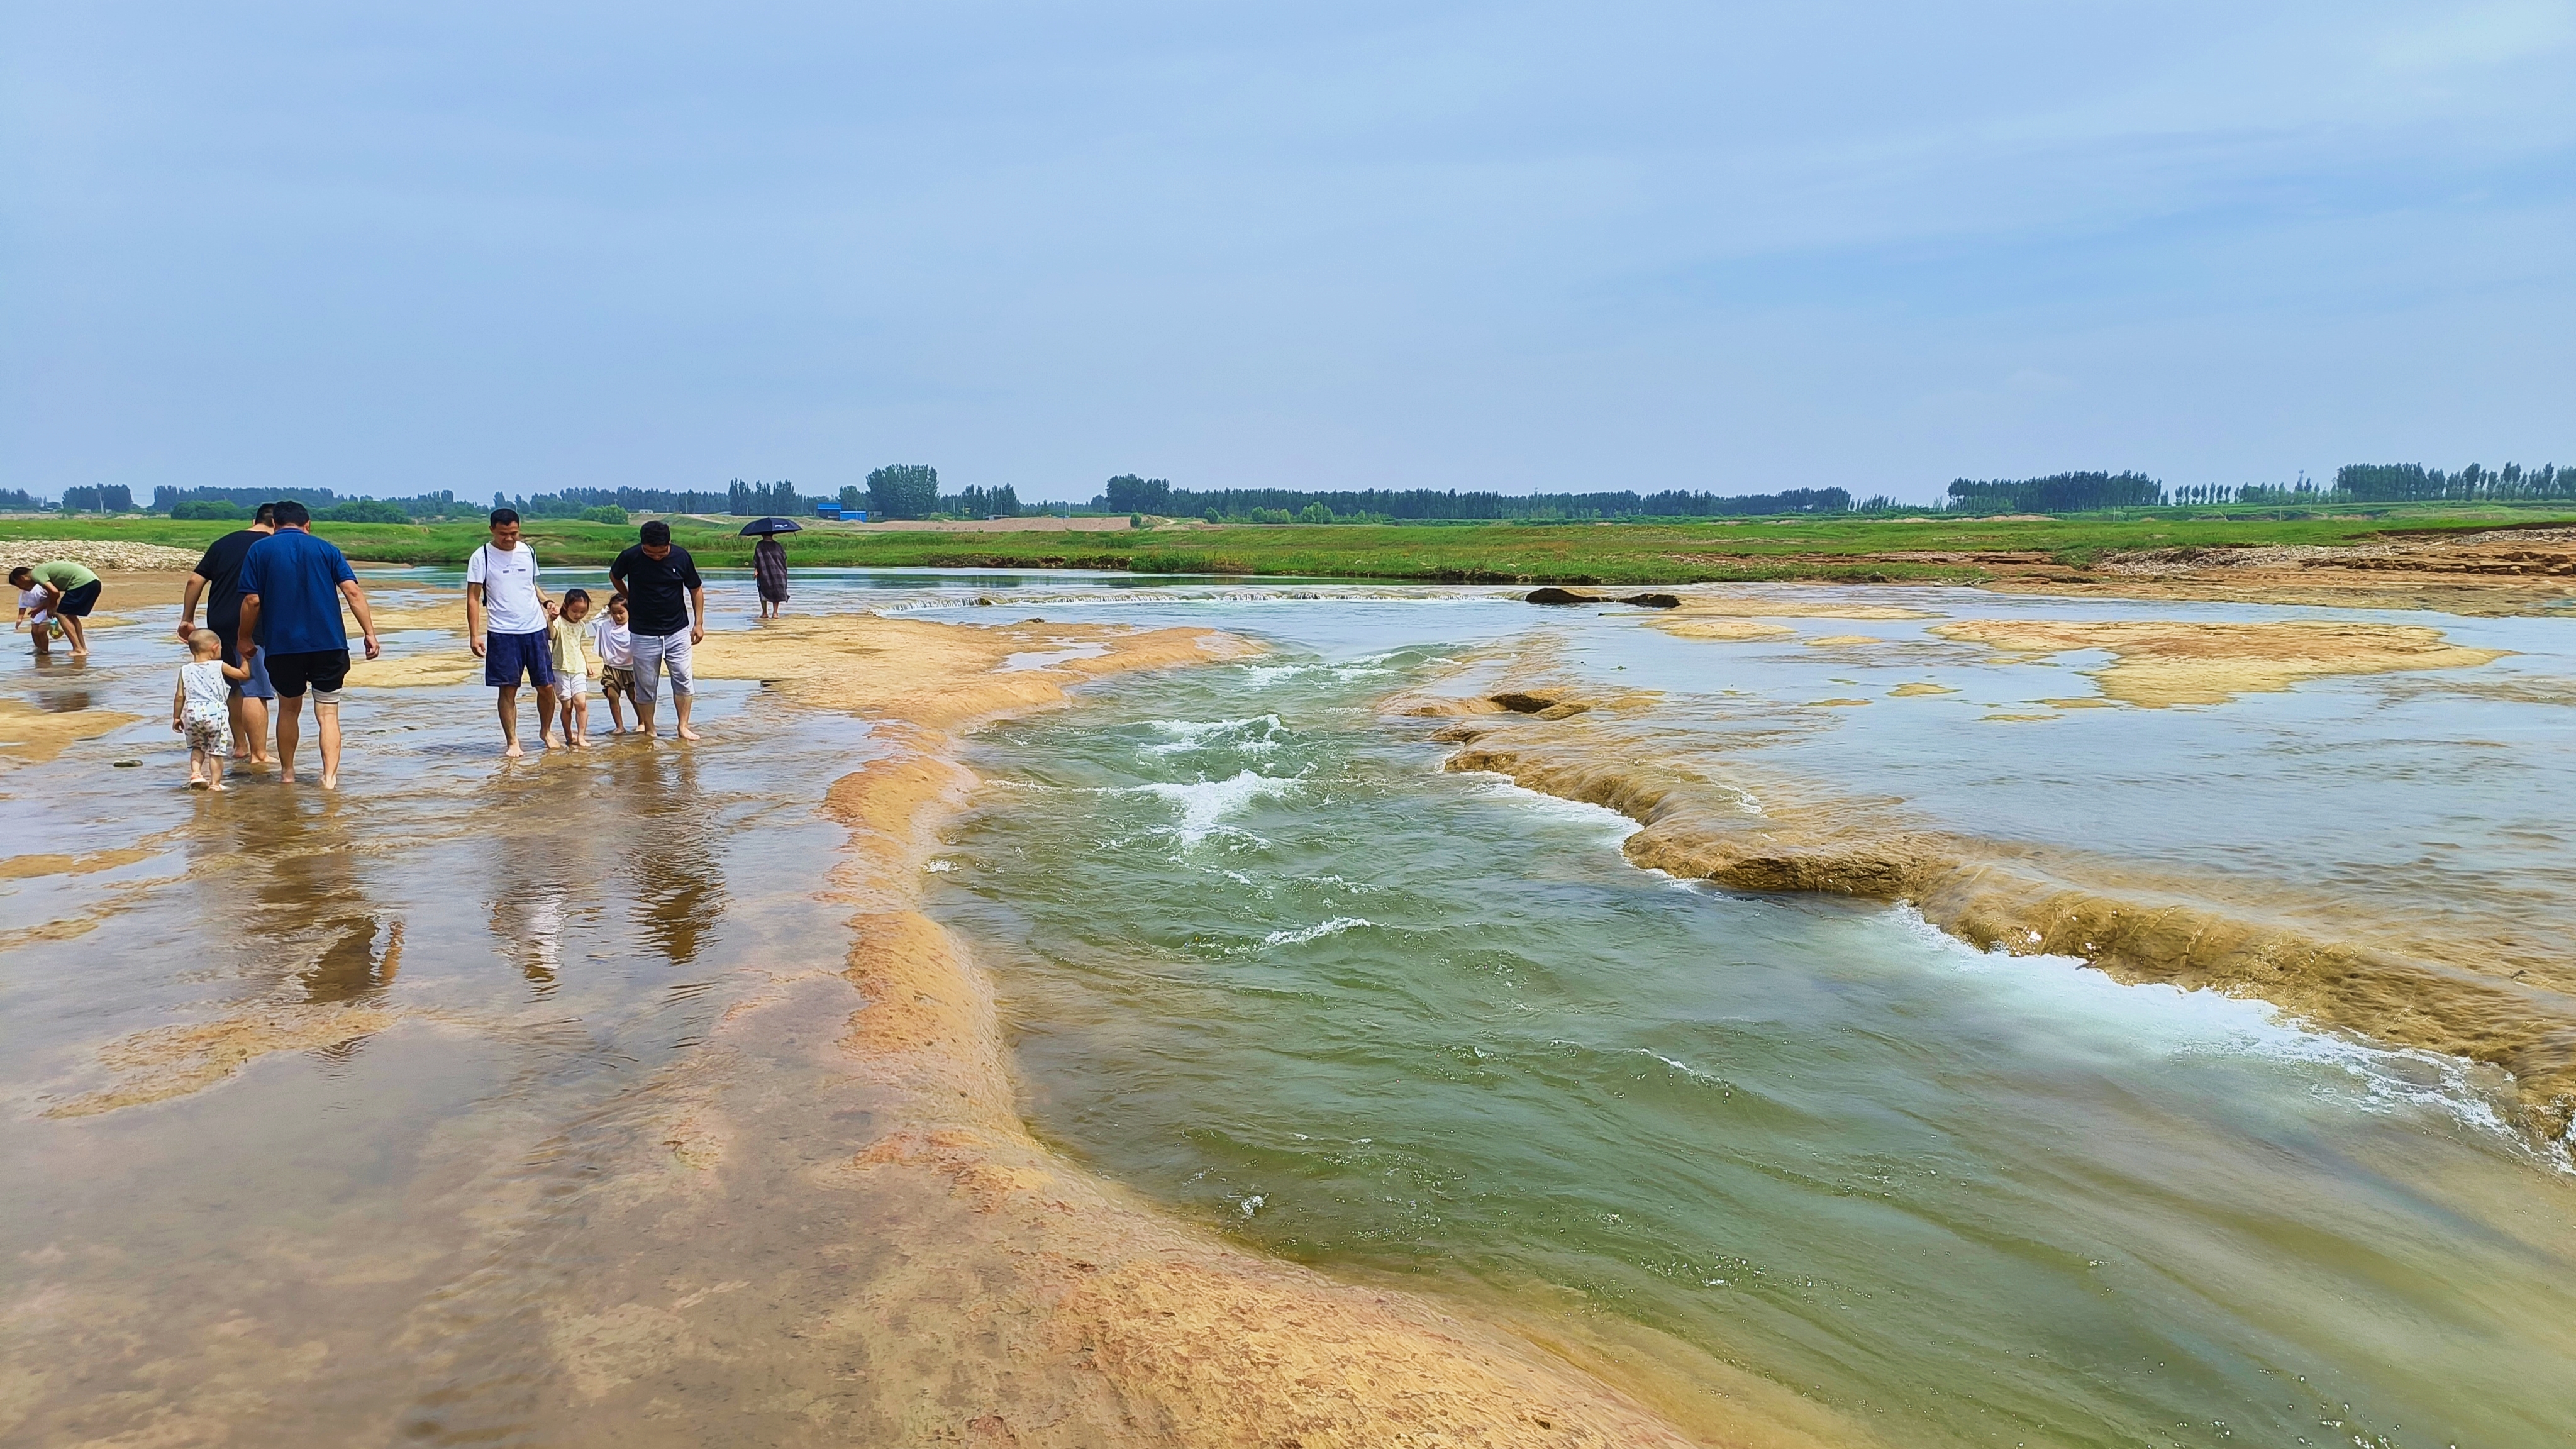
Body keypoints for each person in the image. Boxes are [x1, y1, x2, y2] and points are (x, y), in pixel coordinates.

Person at [237, 501, 382, 789]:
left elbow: (252, 601)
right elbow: (352, 591)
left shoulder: (259, 550)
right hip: (329, 643)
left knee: (289, 709)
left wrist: (244, 637)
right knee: (328, 712)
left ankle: (288, 774)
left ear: (275, 525)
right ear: (308, 525)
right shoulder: (327, 549)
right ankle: (329, 778)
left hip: (283, 645)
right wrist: (370, 633)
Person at [177, 501, 279, 765]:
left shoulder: (223, 543)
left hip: (220, 625)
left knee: (234, 687)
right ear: (275, 524)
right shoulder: (270, 547)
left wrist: (187, 618)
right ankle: (259, 754)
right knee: (255, 688)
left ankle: (240, 747)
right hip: (253, 624)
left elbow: (194, 581)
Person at [465, 508, 557, 758]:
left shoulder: (528, 552)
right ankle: (513, 741)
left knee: (547, 686)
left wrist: (547, 602)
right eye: (504, 534)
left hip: (535, 629)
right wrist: (474, 635)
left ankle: (546, 731)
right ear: (492, 530)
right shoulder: (481, 556)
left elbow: (531, 584)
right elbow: (473, 598)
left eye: (514, 533)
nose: (509, 538)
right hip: (503, 632)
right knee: (508, 689)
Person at [608, 520, 704, 741]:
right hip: (643, 631)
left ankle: (683, 726)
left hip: (677, 629)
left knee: (682, 677)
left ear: (669, 543)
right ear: (642, 546)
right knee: (646, 683)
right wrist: (629, 594)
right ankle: (650, 729)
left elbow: (696, 590)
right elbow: (614, 575)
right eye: (651, 553)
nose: (657, 557)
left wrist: (699, 623)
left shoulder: (681, 557)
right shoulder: (630, 557)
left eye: (662, 553)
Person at [172, 630, 251, 791]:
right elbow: (244, 675)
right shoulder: (219, 666)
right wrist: (245, 658)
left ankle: (196, 774)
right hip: (214, 713)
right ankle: (215, 784)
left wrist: (176, 717)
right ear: (215, 648)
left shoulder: (185, 670)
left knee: (197, 747)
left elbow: (180, 696)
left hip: (192, 713)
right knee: (216, 751)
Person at [8, 560, 103, 657]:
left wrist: (52, 607)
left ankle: (78, 649)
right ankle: (82, 648)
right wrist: (40, 608)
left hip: (82, 583)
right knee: (71, 615)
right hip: (93, 582)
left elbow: (55, 592)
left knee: (60, 614)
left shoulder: (36, 574)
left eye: (19, 585)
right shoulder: (40, 571)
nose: (21, 588)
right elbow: (52, 594)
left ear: (22, 578)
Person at [543, 588, 594, 749]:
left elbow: (578, 646)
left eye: (582, 612)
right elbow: (551, 635)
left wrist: (586, 663)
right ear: (565, 606)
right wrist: (551, 619)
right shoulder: (558, 621)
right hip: (560, 668)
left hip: (578, 668)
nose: (578, 615)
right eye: (575, 611)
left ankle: (581, 736)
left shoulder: (581, 626)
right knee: (567, 706)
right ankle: (568, 735)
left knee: (581, 704)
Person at [589, 594, 636, 735]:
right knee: (612, 696)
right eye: (614, 613)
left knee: (634, 697)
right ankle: (620, 726)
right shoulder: (606, 626)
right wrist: (606, 610)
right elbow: (593, 623)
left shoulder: (634, 625)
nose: (618, 616)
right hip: (611, 668)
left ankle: (642, 722)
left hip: (630, 668)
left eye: (621, 612)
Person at [15, 583, 62, 655]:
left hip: (47, 610)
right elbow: (22, 606)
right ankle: (39, 648)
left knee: (41, 632)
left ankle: (45, 651)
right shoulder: (24, 594)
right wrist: (20, 619)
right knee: (34, 631)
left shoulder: (39, 588)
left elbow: (52, 597)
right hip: (36, 613)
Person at [753, 532, 789, 618]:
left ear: (762, 535)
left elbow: (756, 559)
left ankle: (765, 613)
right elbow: (784, 557)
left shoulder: (760, 545)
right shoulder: (778, 546)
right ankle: (775, 613)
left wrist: (756, 570)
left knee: (763, 590)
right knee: (776, 590)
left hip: (764, 571)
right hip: (779, 571)